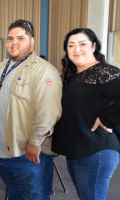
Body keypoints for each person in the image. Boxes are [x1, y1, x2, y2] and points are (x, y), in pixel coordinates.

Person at [0, 19, 62, 200]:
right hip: (2, 152)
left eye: (21, 38)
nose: (14, 42)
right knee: (16, 195)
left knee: (33, 196)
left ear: (32, 42)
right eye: (10, 38)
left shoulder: (43, 71)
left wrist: (35, 141)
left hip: (27, 153)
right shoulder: (2, 67)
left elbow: (48, 110)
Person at [52, 28, 120, 200]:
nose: (76, 49)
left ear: (93, 46)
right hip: (77, 149)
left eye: (82, 44)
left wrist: (108, 119)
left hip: (96, 149)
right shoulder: (73, 75)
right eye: (71, 45)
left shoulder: (103, 72)